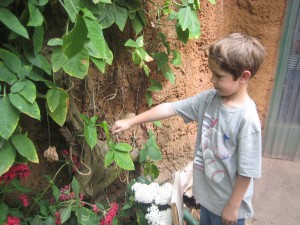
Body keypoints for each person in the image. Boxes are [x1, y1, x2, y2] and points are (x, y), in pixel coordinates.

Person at [111, 33, 265, 225]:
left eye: (219, 76)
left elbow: (247, 170)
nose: (213, 80)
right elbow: (170, 108)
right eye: (212, 73)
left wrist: (234, 206)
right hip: (208, 199)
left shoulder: (246, 119)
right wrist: (131, 121)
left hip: (228, 207)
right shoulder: (209, 100)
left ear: (244, 76)